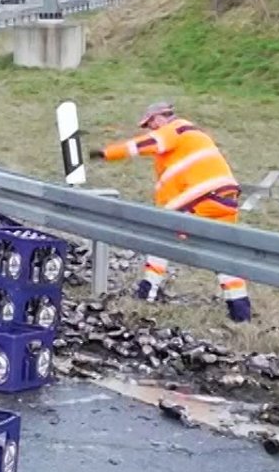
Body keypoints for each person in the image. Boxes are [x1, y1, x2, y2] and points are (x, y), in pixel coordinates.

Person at [96, 101, 250, 321]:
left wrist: (107, 153)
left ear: (159, 118)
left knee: (162, 235)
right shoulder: (191, 138)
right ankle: (240, 311)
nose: (150, 129)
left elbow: (144, 145)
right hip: (225, 199)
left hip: (202, 194)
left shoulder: (175, 129)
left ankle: (147, 293)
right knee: (223, 255)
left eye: (150, 124)